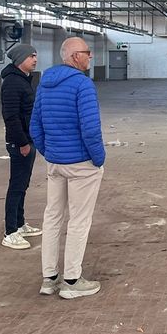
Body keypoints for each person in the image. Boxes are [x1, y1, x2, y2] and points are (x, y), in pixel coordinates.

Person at [30, 37, 106, 299]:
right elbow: (90, 129)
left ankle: (49, 278)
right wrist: (98, 158)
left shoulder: (45, 83)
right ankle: (72, 281)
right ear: (75, 56)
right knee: (79, 221)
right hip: (81, 164)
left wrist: (50, 153)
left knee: (52, 217)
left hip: (55, 163)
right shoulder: (82, 85)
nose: (90, 56)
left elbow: (35, 125)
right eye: (87, 52)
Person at [0, 43, 42, 250]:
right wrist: (22, 143)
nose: (35, 59)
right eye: (31, 56)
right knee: (16, 186)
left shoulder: (24, 79)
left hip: (28, 139)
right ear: (19, 59)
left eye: (35, 56)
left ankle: (19, 223)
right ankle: (10, 232)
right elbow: (11, 117)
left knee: (23, 185)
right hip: (20, 143)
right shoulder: (12, 82)